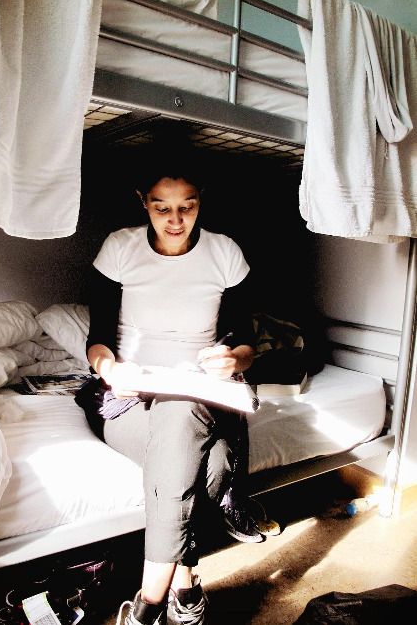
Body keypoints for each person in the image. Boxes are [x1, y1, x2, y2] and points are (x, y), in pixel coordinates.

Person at [76, 152, 258, 625]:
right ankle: (184, 582)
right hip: (128, 398)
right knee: (213, 462)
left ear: (201, 202)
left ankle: (147, 605)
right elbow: (97, 339)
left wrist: (233, 359)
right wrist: (110, 368)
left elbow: (245, 342)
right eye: (162, 207)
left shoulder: (224, 253)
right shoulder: (120, 248)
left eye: (187, 206)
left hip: (197, 393)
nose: (175, 220)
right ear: (143, 202)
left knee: (181, 413)